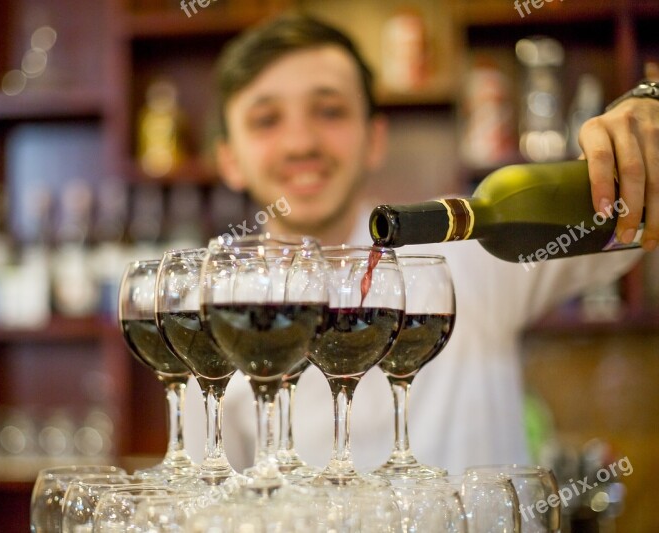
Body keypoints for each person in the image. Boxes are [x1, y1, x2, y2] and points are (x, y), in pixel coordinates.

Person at [182, 13, 658, 475]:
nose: (301, 142)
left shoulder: (471, 251)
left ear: (374, 139)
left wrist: (645, 110)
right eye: (266, 120)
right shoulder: (207, 309)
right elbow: (208, 497)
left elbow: (629, 215)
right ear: (229, 159)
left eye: (330, 111)